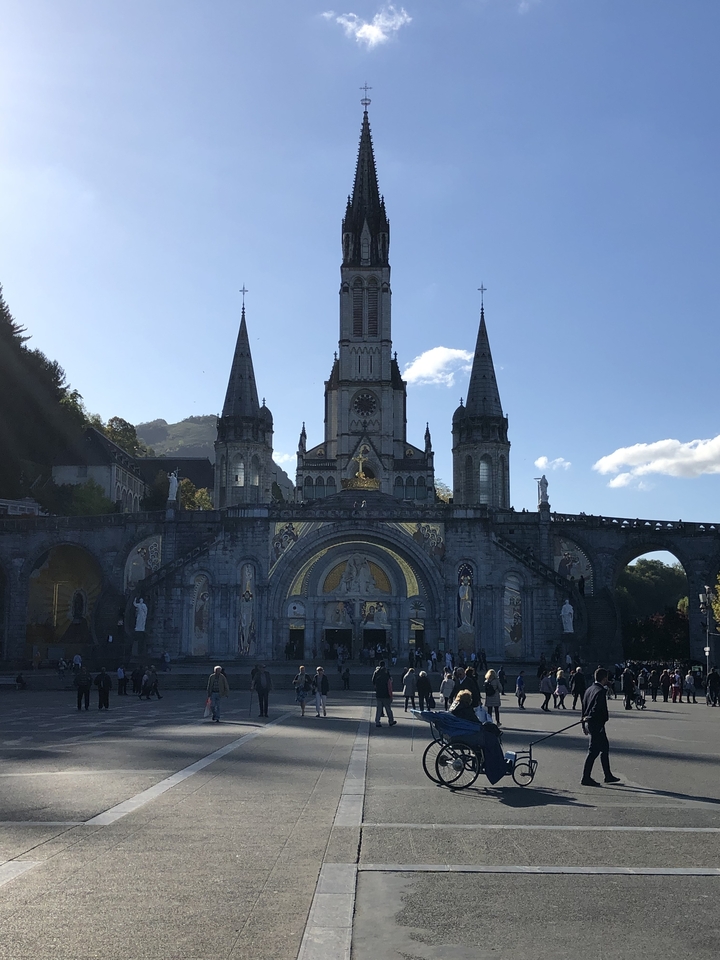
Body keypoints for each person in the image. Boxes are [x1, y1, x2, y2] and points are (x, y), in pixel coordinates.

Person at [581, 668, 621, 786]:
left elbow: (584, 708)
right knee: (593, 751)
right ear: (604, 678)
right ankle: (585, 777)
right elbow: (597, 708)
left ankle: (608, 775)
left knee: (605, 748)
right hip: (596, 724)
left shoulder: (589, 690)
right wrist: (595, 719)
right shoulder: (600, 691)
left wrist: (583, 723)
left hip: (590, 723)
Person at [372, 660, 397, 728]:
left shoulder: (376, 672)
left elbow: (373, 681)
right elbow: (389, 682)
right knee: (388, 709)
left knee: (379, 709)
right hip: (386, 693)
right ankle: (391, 721)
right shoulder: (386, 672)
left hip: (379, 693)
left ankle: (377, 722)